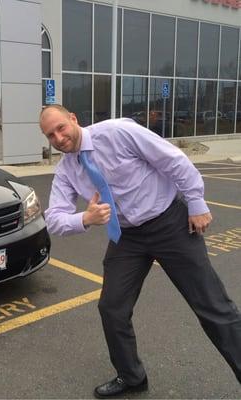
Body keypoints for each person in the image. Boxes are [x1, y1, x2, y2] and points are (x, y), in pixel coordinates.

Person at [39, 104, 241, 398]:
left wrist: (196, 201)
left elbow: (172, 160)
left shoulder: (118, 132)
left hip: (169, 222)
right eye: (50, 135)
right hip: (127, 237)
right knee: (112, 308)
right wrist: (85, 218)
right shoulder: (67, 170)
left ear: (73, 119)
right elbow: (54, 217)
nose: (58, 137)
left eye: (61, 128)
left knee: (212, 306)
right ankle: (131, 376)